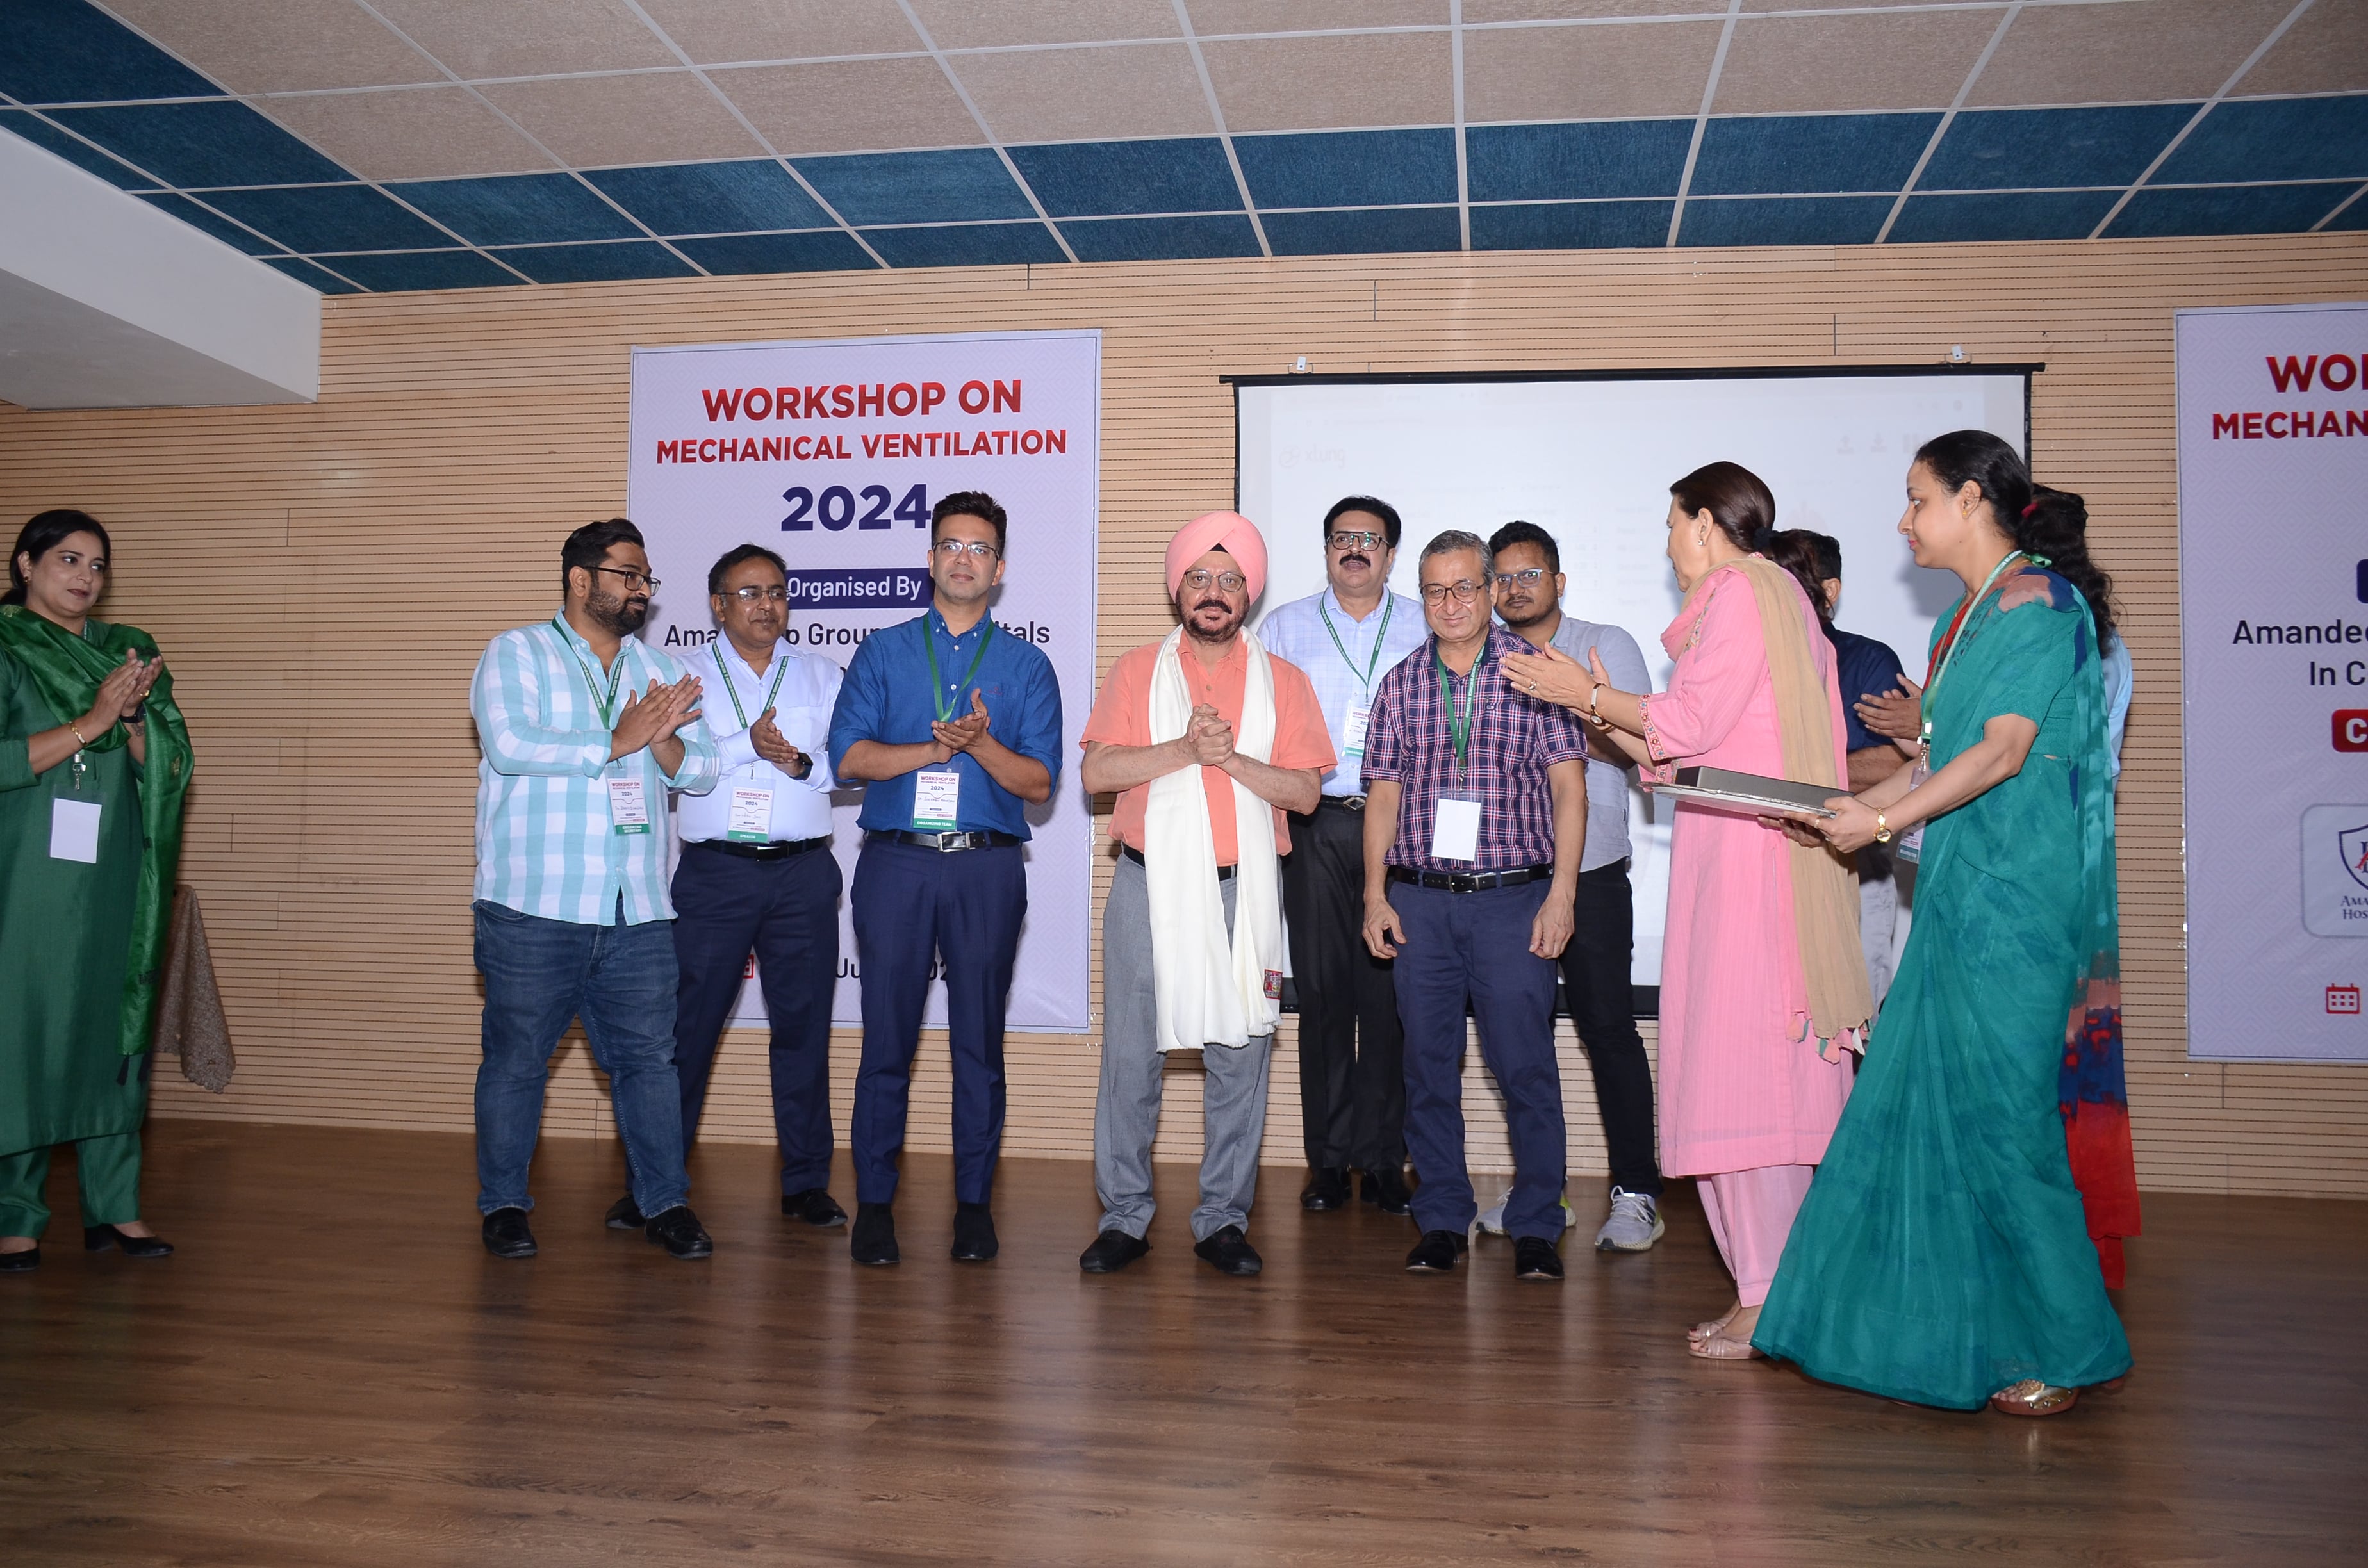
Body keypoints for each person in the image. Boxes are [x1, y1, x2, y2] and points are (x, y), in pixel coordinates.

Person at [1752, 431, 2135, 1416]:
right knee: (1938, 1116)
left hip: (2021, 906)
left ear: (1972, 500)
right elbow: (1932, 761)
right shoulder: (1962, 620)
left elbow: (2002, 753)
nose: (1904, 520)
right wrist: (1846, 810)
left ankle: (2074, 1345)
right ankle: (1972, 1333)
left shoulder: (2041, 605)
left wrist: (1878, 823)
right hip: (1959, 896)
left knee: (2007, 1124)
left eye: (1918, 499)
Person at [1542, 463, 1868, 1357]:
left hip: (1753, 870)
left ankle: (1770, 1297)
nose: (1668, 545)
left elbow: (1686, 726)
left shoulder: (1741, 591)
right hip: (1745, 853)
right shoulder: (1775, 597)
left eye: (1671, 524)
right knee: (1740, 1070)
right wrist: (1601, 714)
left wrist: (1586, 696)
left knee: (1747, 1075)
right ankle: (1763, 1290)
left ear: (1704, 524)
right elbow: (1687, 751)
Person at [1075, 510, 1333, 1278]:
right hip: (1145, 889)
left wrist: (1229, 760)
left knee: (1240, 1059)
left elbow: (1305, 794)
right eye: (1199, 578)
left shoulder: (1286, 682)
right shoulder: (1135, 671)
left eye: (1229, 579)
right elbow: (1096, 773)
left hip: (1241, 895)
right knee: (1130, 1062)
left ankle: (1223, 1219)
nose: (1214, 592)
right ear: (1177, 588)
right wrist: (1185, 749)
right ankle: (1123, 1218)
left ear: (1249, 593)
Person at [469, 517, 719, 1262]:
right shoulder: (516, 652)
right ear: (581, 580)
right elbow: (510, 745)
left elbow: (702, 769)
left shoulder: (657, 668)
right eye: (628, 575)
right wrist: (618, 740)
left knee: (650, 1062)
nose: (643, 589)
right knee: (517, 1061)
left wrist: (663, 740)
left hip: (635, 905)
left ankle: (664, 1203)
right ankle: (504, 1205)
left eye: (646, 578)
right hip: (534, 905)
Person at [826, 491, 1062, 1267]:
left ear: (1000, 568)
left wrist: (980, 745)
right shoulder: (882, 652)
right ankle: (875, 1206)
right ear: (930, 560)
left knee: (978, 1043)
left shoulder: (1028, 666)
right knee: (886, 1042)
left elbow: (1040, 785)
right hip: (896, 863)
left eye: (980, 549)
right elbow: (848, 759)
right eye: (952, 546)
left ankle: (973, 1207)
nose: (965, 559)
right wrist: (934, 751)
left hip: (986, 868)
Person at [1361, 530, 1588, 1282]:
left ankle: (1536, 1223)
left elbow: (1570, 792)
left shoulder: (1538, 674)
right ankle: (1441, 1219)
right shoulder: (1400, 683)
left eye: (1464, 587)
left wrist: (1562, 894)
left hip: (1512, 901)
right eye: (1435, 590)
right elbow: (1383, 797)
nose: (1450, 603)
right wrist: (1374, 894)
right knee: (1427, 1070)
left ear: (1492, 591)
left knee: (1525, 1069)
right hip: (1421, 904)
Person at [615, 544, 846, 1236]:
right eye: (749, 593)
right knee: (685, 1030)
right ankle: (655, 1183)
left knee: (803, 1030)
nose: (766, 605)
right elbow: (673, 764)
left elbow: (851, 765)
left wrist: (799, 763)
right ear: (718, 605)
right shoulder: (679, 674)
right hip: (715, 876)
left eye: (776, 592)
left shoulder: (822, 674)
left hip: (803, 873)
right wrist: (750, 744)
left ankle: (806, 1183)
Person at [0, 510, 191, 1273]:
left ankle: (115, 1206)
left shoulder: (128, 650)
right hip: (25, 878)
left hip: (115, 871)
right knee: (28, 1030)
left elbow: (171, 766)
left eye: (98, 565)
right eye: (69, 560)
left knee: (116, 1027)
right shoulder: (7, 645)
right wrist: (92, 721)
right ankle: (17, 1215)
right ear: (26, 565)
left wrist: (135, 717)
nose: (86, 577)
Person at [1489, 519, 1665, 1252]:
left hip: (1590, 872)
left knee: (1608, 1030)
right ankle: (1542, 1190)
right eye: (1503, 577)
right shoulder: (1484, 655)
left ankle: (1638, 1192)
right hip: (1509, 877)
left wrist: (1571, 695)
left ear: (1559, 581)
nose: (1515, 588)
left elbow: (1645, 746)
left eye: (1529, 574)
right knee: (1519, 1039)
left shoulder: (1605, 643)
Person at [1257, 495, 1427, 1215]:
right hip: (1317, 821)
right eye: (1341, 538)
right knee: (1324, 994)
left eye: (1370, 539)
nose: (1355, 549)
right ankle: (1327, 1162)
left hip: (1404, 826)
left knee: (1390, 999)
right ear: (1326, 549)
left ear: (1390, 554)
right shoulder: (1284, 627)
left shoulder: (1426, 624)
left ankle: (1385, 1159)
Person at [1760, 529, 1914, 1006]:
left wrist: (1794, 779)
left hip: (1849, 855)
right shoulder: (1745, 660)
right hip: (1758, 856)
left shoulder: (1866, 660)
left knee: (1853, 1009)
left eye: (1786, 581)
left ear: (1829, 592)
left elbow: (1899, 761)